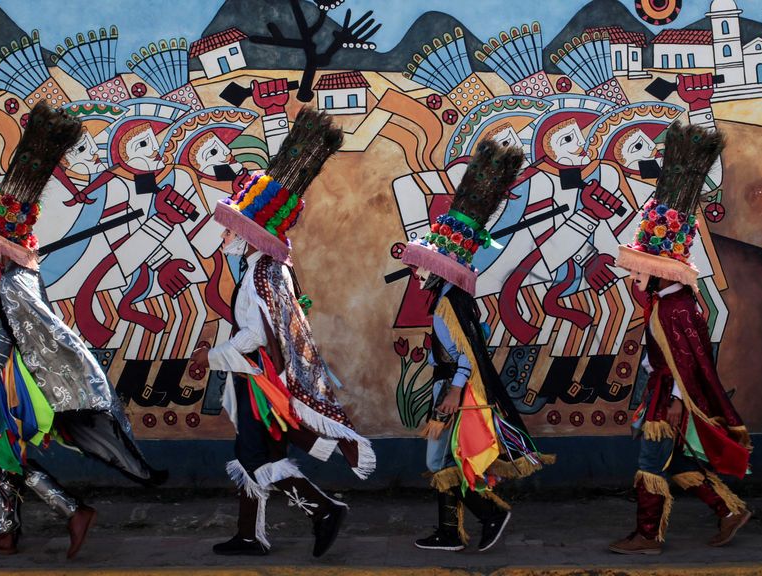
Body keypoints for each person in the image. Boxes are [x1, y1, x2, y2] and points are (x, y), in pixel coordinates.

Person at [0, 101, 166, 558]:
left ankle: (71, 510)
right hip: (19, 376)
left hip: (19, 382)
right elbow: (19, 329)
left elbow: (14, 336)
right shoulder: (19, 279)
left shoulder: (15, 284)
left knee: (3, 454)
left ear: (1, 246)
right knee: (1, 453)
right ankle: (8, 530)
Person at [190, 108, 375, 558]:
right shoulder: (266, 268)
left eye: (236, 226)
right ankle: (251, 534)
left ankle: (323, 509)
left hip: (259, 382)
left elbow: (254, 335)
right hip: (260, 381)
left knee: (256, 454)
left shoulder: (262, 274)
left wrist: (211, 357)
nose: (228, 232)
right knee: (256, 451)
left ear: (254, 232)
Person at [401, 139, 553, 553]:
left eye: (419, 265)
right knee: (446, 460)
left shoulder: (448, 303)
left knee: (440, 461)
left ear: (437, 266)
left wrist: (452, 392)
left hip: (456, 392)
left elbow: (468, 353)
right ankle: (450, 532)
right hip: (453, 388)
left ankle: (488, 515)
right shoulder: (452, 298)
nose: (414, 272)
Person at [609, 122, 751, 555]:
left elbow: (683, 364)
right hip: (664, 394)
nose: (635, 272)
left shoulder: (674, 308)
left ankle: (648, 536)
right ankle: (727, 510)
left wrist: (671, 402)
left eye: (640, 265)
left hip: (668, 398)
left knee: (651, 465)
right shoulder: (670, 302)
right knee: (677, 461)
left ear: (661, 268)